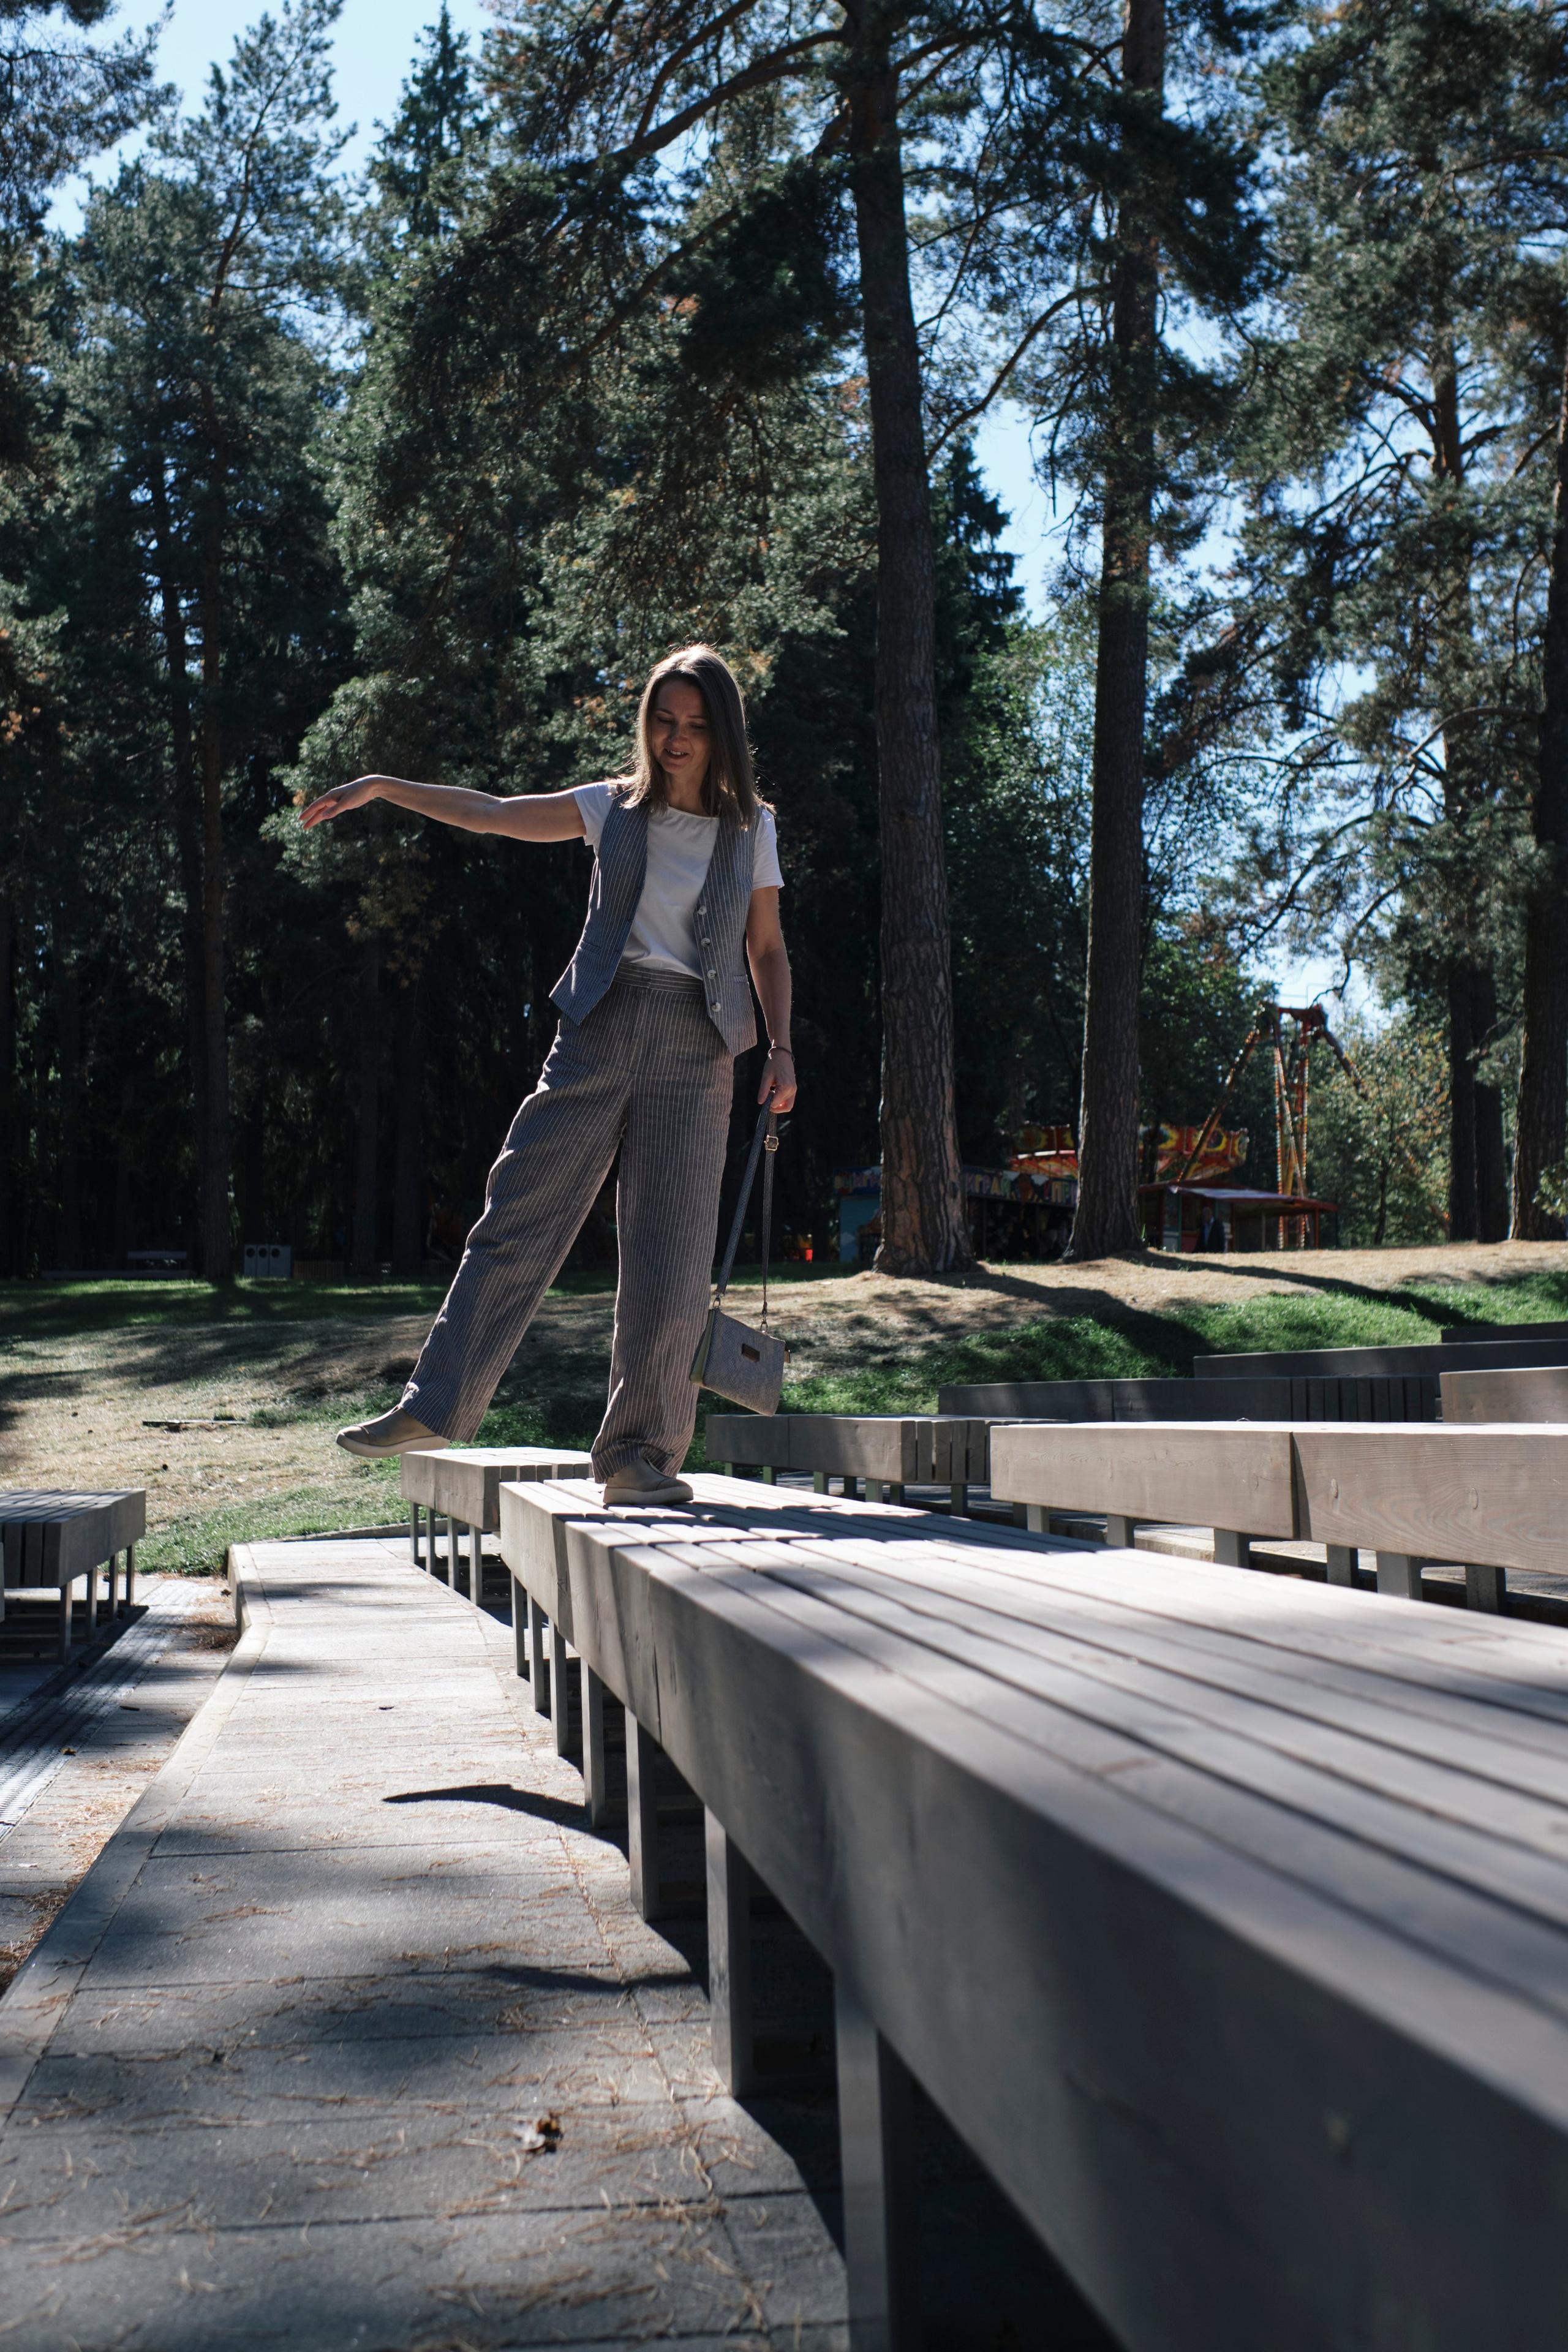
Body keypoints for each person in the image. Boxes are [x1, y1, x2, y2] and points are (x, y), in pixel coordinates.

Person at [299, 644, 796, 1507]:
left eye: (695, 725)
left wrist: (781, 1048)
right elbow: (493, 813)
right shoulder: (611, 808)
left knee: (672, 1262)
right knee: (517, 1212)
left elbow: (767, 947)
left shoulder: (753, 826)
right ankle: (435, 1403)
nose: (675, 740)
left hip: (701, 1044)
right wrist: (385, 785)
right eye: (663, 721)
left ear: (723, 734)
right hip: (600, 1025)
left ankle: (637, 1459)